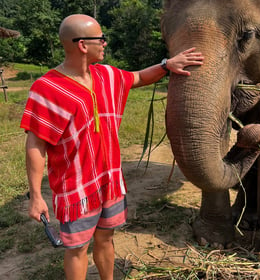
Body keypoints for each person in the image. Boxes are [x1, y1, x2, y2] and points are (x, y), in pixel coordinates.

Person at [20, 14, 204, 280]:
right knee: (77, 249)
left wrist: (167, 65)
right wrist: (36, 196)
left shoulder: (107, 75)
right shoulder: (47, 88)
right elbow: (35, 145)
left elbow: (138, 77)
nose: (105, 43)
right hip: (76, 190)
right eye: (100, 39)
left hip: (109, 181)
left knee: (106, 238)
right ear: (82, 45)